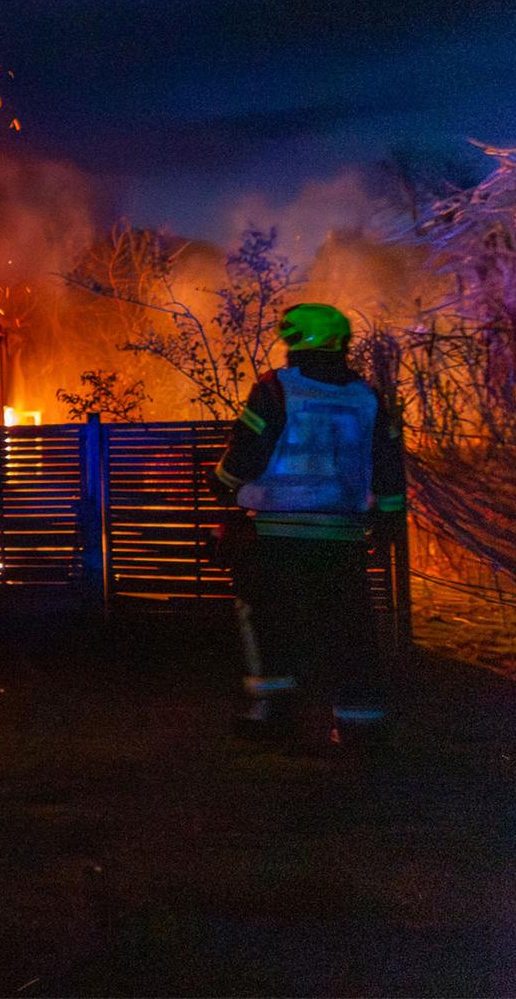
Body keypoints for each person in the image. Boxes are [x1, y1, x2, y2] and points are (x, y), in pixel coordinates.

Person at [213, 303, 406, 744]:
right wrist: (390, 518)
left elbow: (247, 450)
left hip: (278, 534)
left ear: (295, 340)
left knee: (270, 623)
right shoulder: (367, 396)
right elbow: (388, 464)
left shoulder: (276, 390)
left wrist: (222, 483)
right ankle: (360, 723)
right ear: (341, 342)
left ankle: (274, 715)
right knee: (349, 628)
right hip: (342, 535)